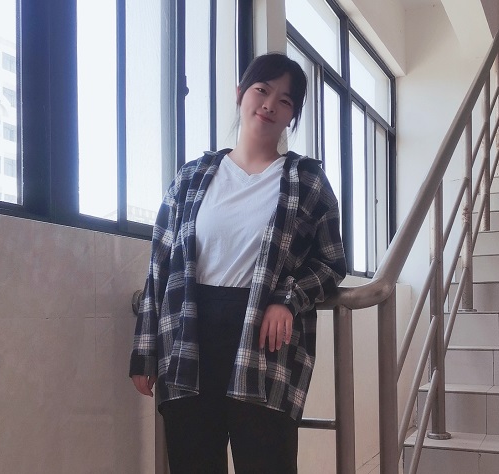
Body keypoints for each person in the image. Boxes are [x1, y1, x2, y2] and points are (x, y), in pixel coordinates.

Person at [130, 52, 346, 474]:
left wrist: (288, 298)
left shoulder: (306, 180)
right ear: (240, 94)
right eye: (262, 90)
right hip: (189, 338)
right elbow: (160, 266)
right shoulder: (192, 177)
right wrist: (145, 352)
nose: (269, 104)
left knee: (267, 463)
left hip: (264, 343)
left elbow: (331, 262)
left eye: (285, 100)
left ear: (292, 116)